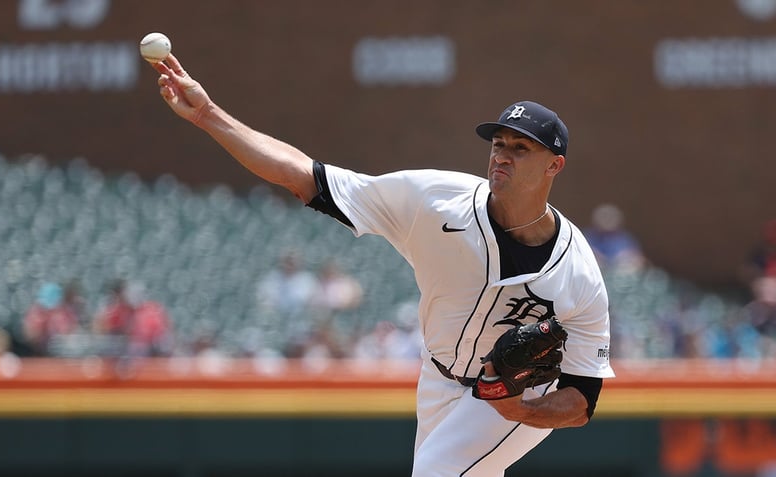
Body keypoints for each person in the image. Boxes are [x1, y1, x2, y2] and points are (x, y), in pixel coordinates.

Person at [151, 54, 614, 476]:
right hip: (437, 375)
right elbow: (303, 176)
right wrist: (209, 116)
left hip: (516, 396)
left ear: (555, 166)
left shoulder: (577, 272)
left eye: (520, 147)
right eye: (499, 142)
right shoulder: (435, 201)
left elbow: (582, 399)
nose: (502, 154)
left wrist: (521, 411)